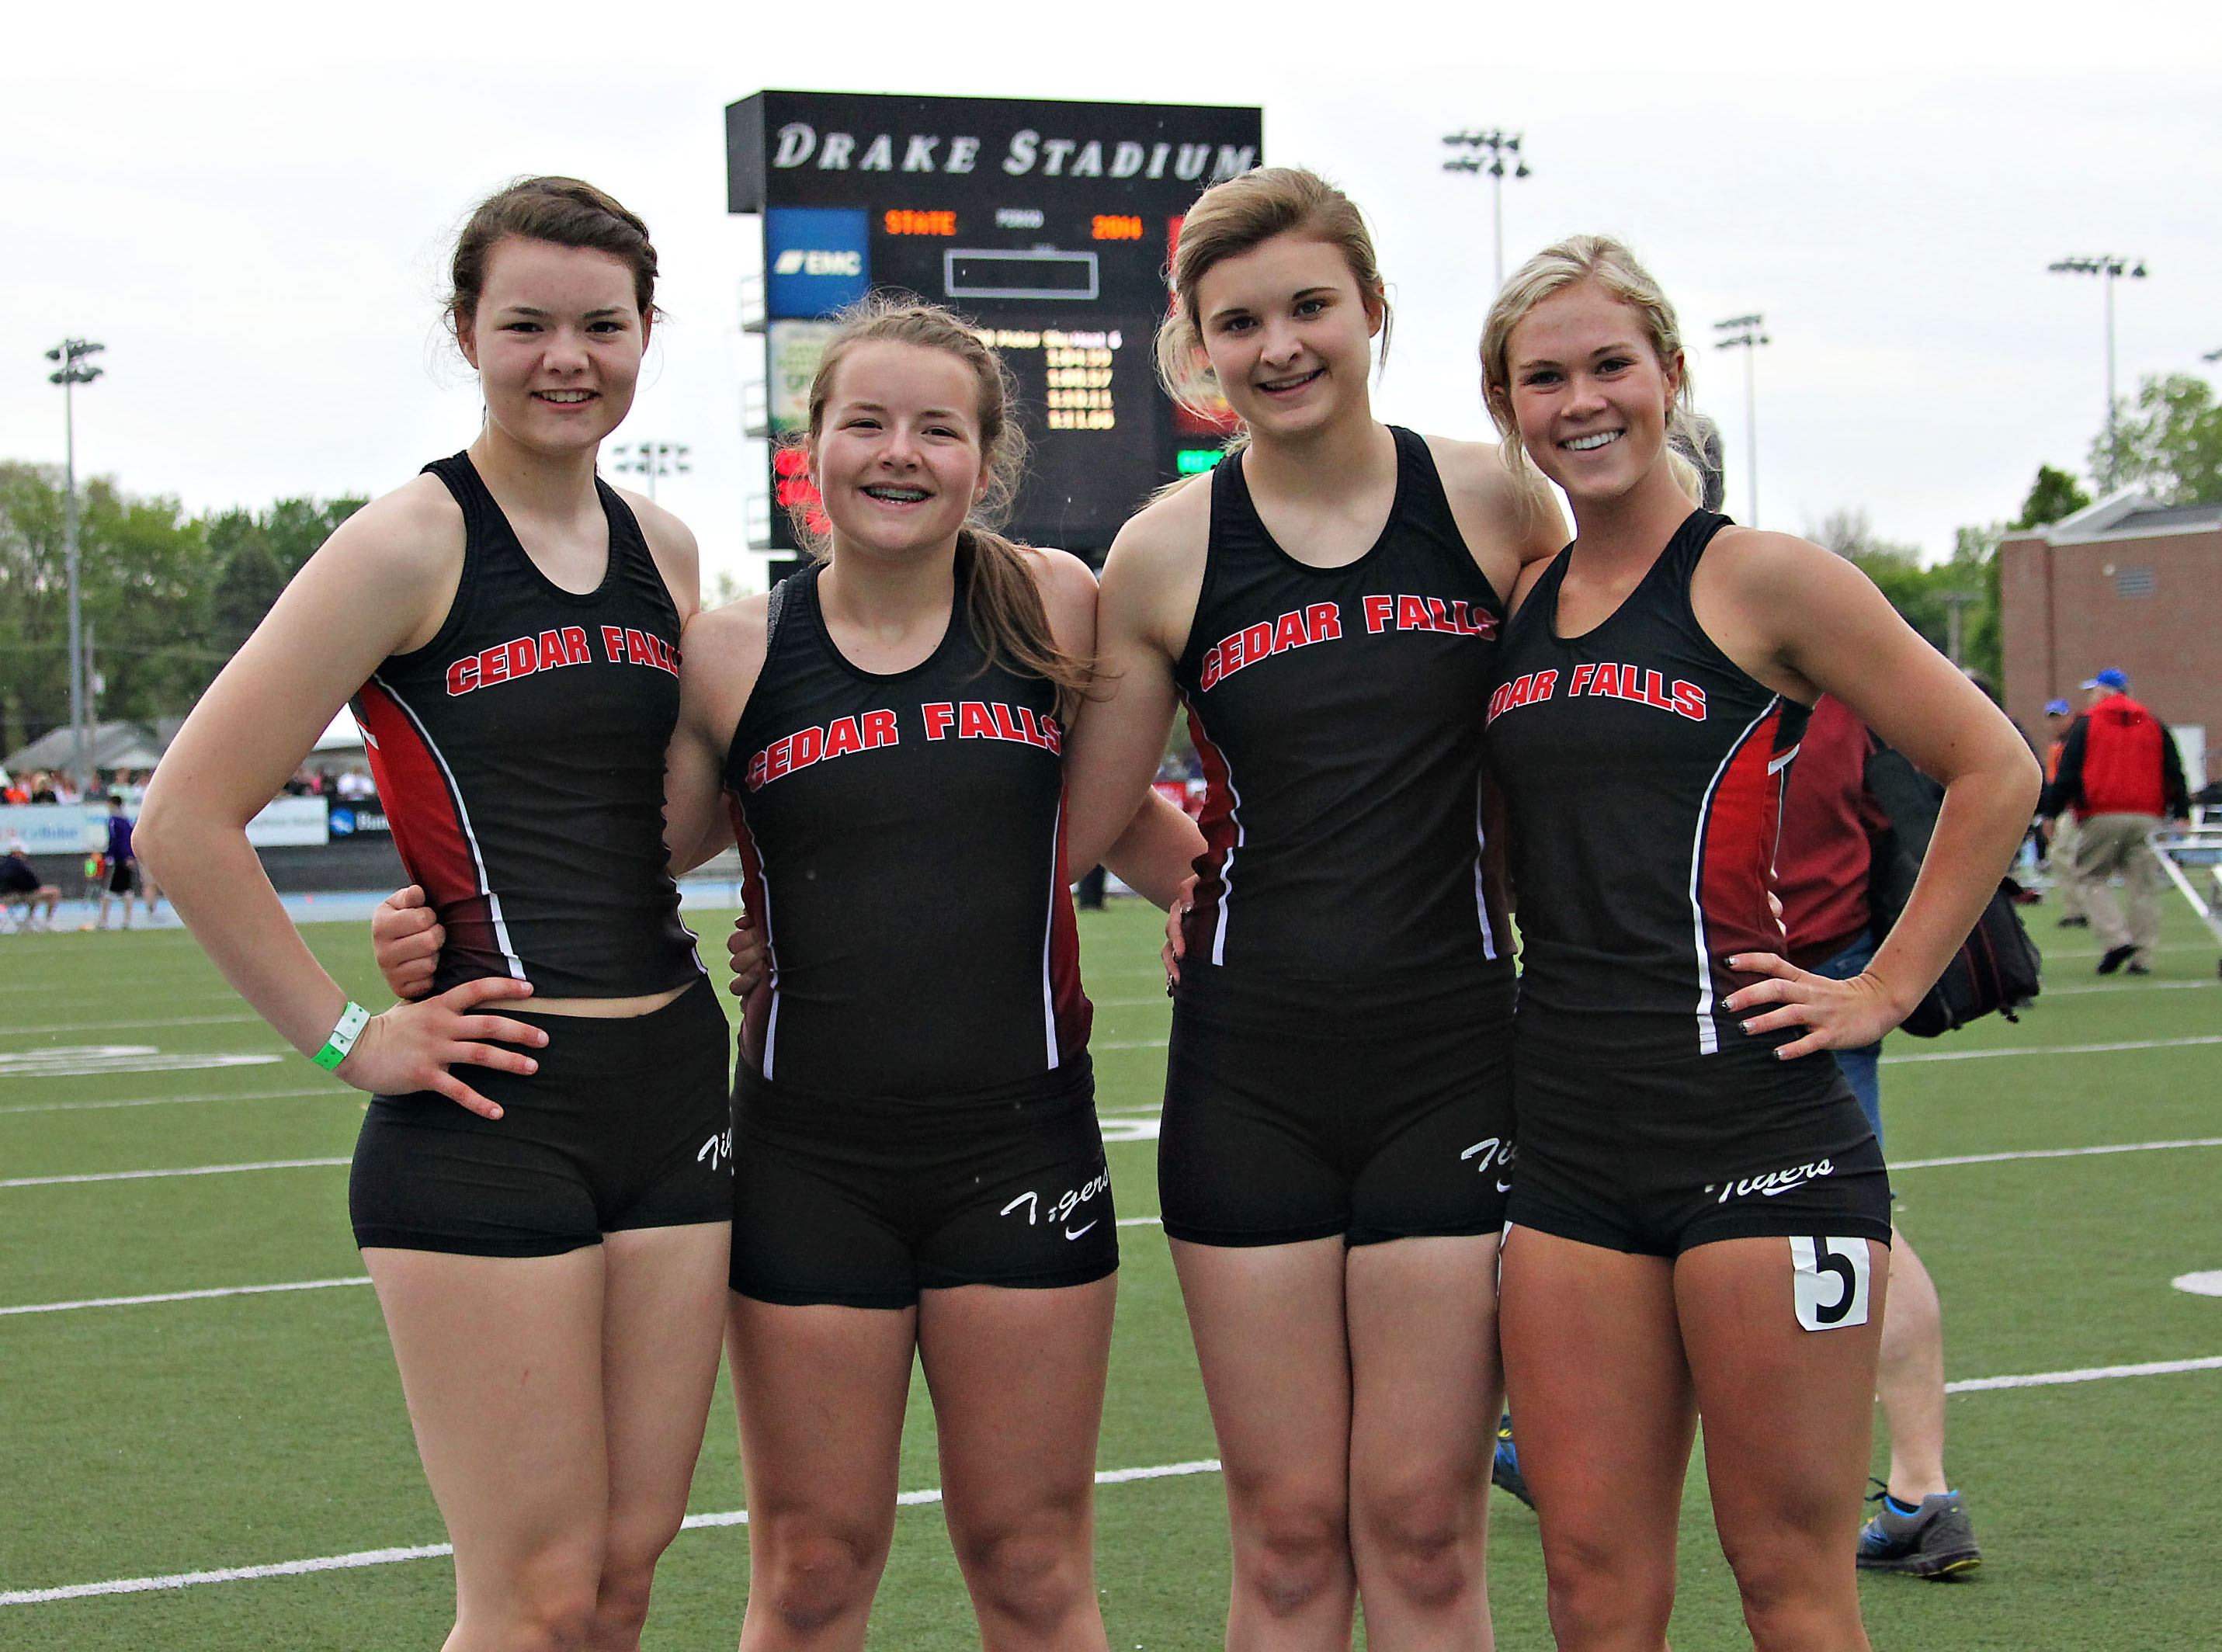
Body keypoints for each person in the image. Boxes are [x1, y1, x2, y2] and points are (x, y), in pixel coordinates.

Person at [380, 299, 1201, 1650]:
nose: (898, 452)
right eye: (864, 421)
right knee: (814, 1565)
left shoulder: (1056, 599)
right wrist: (429, 923)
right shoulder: (734, 650)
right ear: (808, 446)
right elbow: (615, 862)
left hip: (1021, 1142)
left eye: (937, 427)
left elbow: (1108, 812)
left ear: (982, 458)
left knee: (1033, 1562)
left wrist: (1209, 904)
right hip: (809, 1164)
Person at [138, 176, 737, 1652]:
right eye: (525, 322)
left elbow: (661, 827)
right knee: (528, 1599)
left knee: (620, 1577)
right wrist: (355, 1033)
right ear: (465, 331)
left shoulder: (666, 548)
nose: (564, 357)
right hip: (490, 1116)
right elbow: (183, 820)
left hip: (672, 1088)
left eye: (601, 324)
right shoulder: (406, 542)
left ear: (648, 333)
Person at [1476, 234, 2036, 1651]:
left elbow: (1994, 766)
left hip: (1757, 1131)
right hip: (1566, 1147)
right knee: (1595, 1587)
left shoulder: (1763, 577)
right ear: (1508, 408)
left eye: (1612, 364)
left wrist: (1885, 984)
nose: (1581, 400)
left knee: (1788, 1582)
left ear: (1669, 374)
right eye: (1543, 377)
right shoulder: (1517, 601)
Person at [1081, 167, 1564, 1650]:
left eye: (1309, 307)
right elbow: (1096, 812)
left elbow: (1574, 754)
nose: (1279, 345)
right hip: (1252, 1074)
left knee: (1424, 1528)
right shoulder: (1164, 547)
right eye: (1240, 322)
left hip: (1450, 1060)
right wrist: (1195, 884)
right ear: (1197, 347)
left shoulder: (1491, 502)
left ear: (1370, 311)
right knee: (1288, 1538)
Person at [1776, 696, 1980, 1578]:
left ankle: (1923, 1491)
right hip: (1833, 958)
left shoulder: (1690, 662)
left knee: (1858, 1225)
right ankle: (1922, 1490)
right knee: (1862, 1219)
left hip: (1730, 965)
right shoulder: (1844, 691)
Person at [2038, 668, 2189, 974]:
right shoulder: (2153, 723)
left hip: (2101, 813)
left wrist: (2051, 813)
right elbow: (2174, 769)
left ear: (2105, 692)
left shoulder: (2087, 724)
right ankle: (2143, 956)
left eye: (2095, 690)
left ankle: (2116, 938)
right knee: (2142, 886)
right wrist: (2183, 811)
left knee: (2091, 876)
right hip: (2148, 815)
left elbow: (2068, 773)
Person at [2040, 698, 2089, 926]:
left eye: (2059, 717)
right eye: (2052, 719)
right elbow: (2053, 782)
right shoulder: (2056, 747)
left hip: (2075, 807)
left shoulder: (2075, 742)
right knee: (2065, 856)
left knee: (2063, 854)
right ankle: (2077, 908)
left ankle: (2078, 910)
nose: (2055, 723)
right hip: (2064, 809)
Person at [1, 832, 62, 930]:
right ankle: (47, 922)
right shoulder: (18, 865)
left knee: (34, 895)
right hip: (15, 897)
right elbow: (31, 884)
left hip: (5, 897)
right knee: (54, 892)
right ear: (18, 852)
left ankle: (28, 920)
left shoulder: (4, 863)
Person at [96, 794, 137, 930]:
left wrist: (112, 856)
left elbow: (115, 841)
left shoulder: (114, 821)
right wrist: (131, 855)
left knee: (109, 890)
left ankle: (103, 921)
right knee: (127, 890)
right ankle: (127, 921)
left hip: (118, 860)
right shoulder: (127, 820)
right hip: (127, 858)